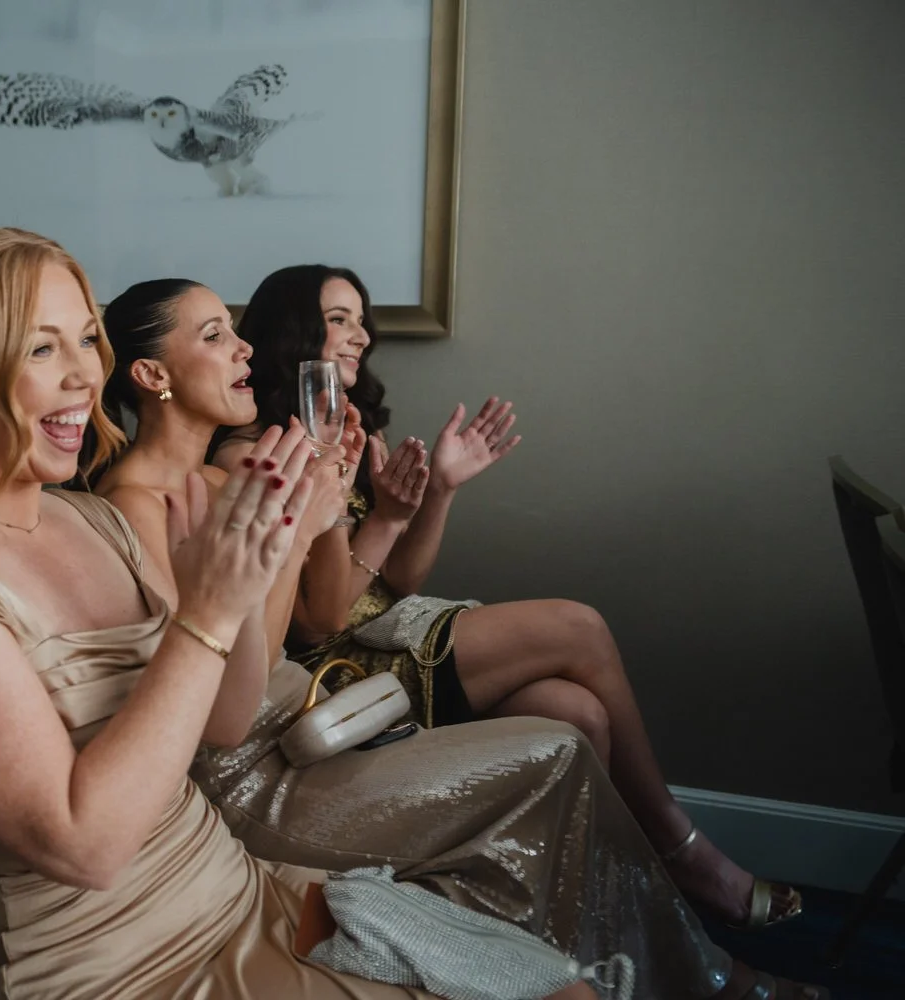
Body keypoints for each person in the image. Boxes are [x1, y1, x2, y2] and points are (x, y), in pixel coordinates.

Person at [0, 223, 821, 1000]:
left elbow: (224, 719)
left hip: (239, 893)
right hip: (122, 966)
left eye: (83, 339)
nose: (80, 375)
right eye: (37, 346)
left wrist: (272, 549)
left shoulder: (84, 518)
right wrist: (208, 611)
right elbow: (84, 844)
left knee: (558, 985)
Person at [208, 264, 798, 931]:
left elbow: (396, 583)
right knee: (578, 626)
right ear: (293, 332)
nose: (361, 336)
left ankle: (571, 921)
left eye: (360, 318)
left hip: (389, 631)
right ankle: (676, 848)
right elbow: (319, 623)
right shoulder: (258, 453)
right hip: (335, 672)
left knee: (574, 713)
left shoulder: (345, 430)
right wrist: (383, 521)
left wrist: (438, 493)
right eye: (338, 319)